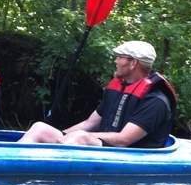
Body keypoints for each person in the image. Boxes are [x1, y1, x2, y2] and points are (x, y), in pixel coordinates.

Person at [17, 40, 176, 148]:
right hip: (106, 146)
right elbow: (89, 124)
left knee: (79, 137)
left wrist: (79, 136)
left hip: (127, 154)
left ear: (133, 63)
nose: (115, 61)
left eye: (119, 57)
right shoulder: (118, 89)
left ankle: (49, 176)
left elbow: (124, 139)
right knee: (40, 128)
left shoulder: (156, 100)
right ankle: (14, 159)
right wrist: (62, 135)